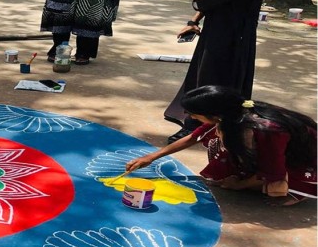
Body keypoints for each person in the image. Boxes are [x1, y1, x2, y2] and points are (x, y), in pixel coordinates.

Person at [165, 0, 266, 143]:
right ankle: (201, 120)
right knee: (204, 71)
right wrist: (194, 20)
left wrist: (197, 5)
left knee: (214, 75)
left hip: (231, 30)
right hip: (219, 24)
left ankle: (202, 126)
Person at [127, 85, 316, 207]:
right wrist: (150, 157)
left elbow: (272, 166)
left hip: (303, 160)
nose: (191, 117)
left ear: (213, 114)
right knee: (222, 142)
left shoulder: (267, 130)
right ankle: (251, 177)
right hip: (274, 151)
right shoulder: (229, 115)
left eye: (193, 114)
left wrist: (239, 185)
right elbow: (194, 137)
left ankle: (297, 191)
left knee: (270, 182)